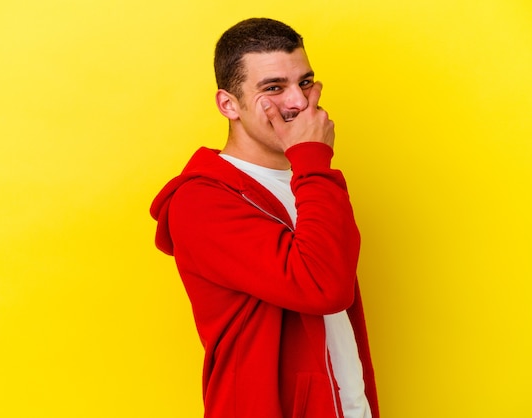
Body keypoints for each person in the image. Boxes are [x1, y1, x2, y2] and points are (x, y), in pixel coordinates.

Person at [150, 17, 379, 418]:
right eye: (273, 88)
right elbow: (323, 287)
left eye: (305, 82)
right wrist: (313, 160)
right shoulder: (201, 201)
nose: (298, 102)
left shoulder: (310, 181)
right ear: (228, 104)